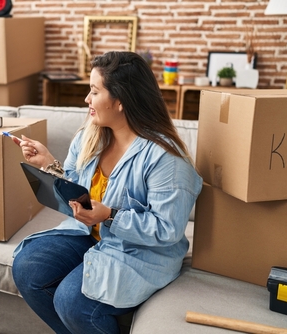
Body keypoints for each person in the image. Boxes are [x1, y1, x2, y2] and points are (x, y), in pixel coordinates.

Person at [11, 51, 202, 334]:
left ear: (121, 100)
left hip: (140, 251)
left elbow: (167, 229)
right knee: (27, 267)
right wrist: (49, 165)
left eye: (94, 91)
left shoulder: (167, 159)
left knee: (71, 301)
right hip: (89, 235)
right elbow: (77, 192)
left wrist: (110, 216)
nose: (87, 99)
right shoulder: (90, 135)